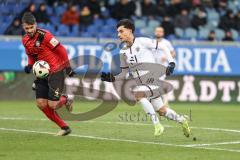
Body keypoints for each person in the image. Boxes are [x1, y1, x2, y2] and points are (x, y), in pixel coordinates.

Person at [101, 19, 191, 137]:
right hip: (141, 83)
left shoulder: (142, 41)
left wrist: (171, 63)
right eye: (118, 32)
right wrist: (112, 78)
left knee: (138, 96)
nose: (119, 34)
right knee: (162, 110)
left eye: (121, 31)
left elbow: (163, 46)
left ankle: (157, 125)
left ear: (129, 30)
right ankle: (182, 120)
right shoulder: (123, 52)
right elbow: (123, 73)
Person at [22, 12, 75, 136]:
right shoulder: (25, 40)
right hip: (41, 74)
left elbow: (61, 49)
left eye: (31, 27)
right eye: (27, 28)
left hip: (56, 72)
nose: (29, 30)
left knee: (53, 105)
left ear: (35, 25)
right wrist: (30, 65)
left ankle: (66, 99)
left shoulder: (45, 36)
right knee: (41, 104)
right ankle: (64, 127)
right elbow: (31, 55)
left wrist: (67, 67)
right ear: (23, 27)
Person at [154, 26, 175, 105]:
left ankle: (165, 102)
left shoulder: (166, 43)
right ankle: (162, 102)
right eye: (157, 31)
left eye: (160, 31)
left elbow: (173, 53)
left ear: (163, 33)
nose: (158, 33)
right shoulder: (151, 42)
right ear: (155, 32)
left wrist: (166, 57)